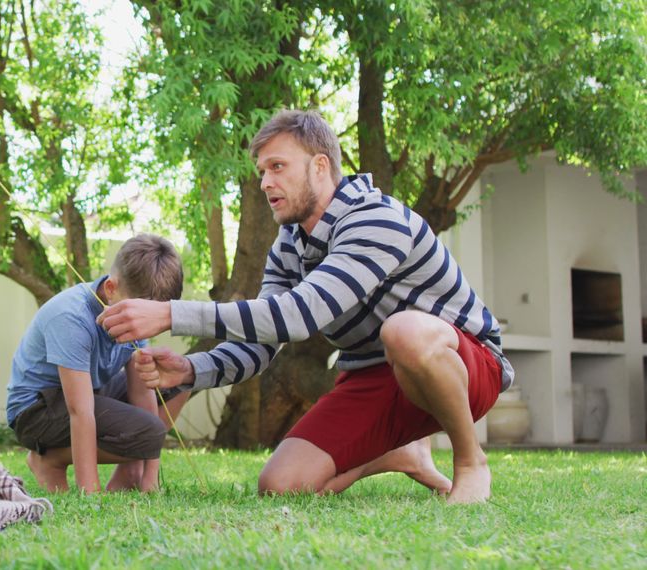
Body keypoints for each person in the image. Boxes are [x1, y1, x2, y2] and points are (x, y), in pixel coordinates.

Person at [98, 110, 513, 504]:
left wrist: (170, 313)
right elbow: (264, 338)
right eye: (262, 171)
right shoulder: (288, 245)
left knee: (404, 331)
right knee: (280, 485)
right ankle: (398, 454)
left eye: (278, 167)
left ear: (319, 166)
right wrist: (191, 371)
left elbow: (301, 314)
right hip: (372, 376)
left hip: (466, 365)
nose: (265, 182)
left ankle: (470, 462)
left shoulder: (375, 218)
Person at [6, 234, 189, 493]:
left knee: (180, 380)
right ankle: (49, 460)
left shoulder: (133, 312)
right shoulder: (72, 318)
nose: (146, 323)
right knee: (148, 430)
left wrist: (150, 476)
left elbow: (143, 393)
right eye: (141, 312)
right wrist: (90, 492)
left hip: (89, 390)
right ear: (111, 289)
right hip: (36, 409)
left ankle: (132, 472)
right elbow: (80, 411)